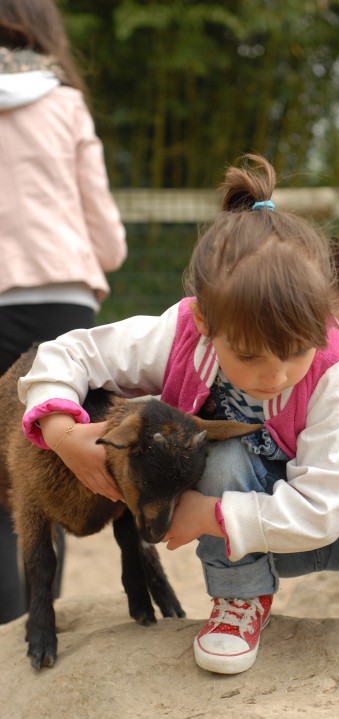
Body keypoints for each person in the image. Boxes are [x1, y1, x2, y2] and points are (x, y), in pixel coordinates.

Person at [18, 154, 339, 674]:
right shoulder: (183, 334)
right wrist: (62, 432)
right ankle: (239, 601)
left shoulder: (338, 372)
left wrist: (209, 515)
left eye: (297, 351)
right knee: (217, 451)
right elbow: (66, 352)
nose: (276, 374)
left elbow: (323, 510)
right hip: (247, 542)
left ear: (324, 324)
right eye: (251, 355)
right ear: (206, 321)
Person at [0, 0, 127, 624]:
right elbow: (108, 240)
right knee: (51, 477)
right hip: (58, 305)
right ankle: (37, 629)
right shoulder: (64, 104)